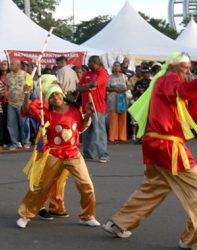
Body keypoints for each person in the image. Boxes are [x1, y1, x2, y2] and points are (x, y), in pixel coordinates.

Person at [102, 52, 197, 250]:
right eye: (184, 67)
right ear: (172, 67)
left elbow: (190, 114)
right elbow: (182, 91)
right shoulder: (168, 79)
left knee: (155, 188)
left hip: (156, 144)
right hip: (167, 146)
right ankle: (193, 238)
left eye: (189, 68)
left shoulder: (170, 84)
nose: (188, 71)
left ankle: (119, 222)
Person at [16, 84, 100, 228]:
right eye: (51, 97)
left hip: (73, 154)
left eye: (57, 94)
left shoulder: (74, 109)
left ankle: (87, 215)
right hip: (54, 154)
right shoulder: (47, 115)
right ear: (49, 101)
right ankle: (26, 215)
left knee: (87, 185)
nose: (55, 98)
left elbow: (80, 127)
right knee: (41, 186)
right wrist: (43, 140)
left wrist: (87, 115)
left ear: (62, 94)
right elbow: (25, 111)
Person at [77, 56, 109, 163]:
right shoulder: (86, 74)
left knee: (99, 131)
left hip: (98, 107)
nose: (88, 64)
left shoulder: (102, 73)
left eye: (89, 62)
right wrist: (88, 86)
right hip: (87, 108)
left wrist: (86, 86)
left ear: (95, 62)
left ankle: (103, 155)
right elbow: (78, 87)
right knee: (87, 132)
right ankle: (87, 154)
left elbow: (95, 84)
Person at [106, 62, 128, 142]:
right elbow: (106, 88)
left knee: (122, 117)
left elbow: (128, 86)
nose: (116, 67)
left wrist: (122, 89)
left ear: (120, 67)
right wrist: (115, 89)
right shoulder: (109, 77)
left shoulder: (124, 77)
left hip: (122, 98)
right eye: (115, 66)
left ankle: (122, 136)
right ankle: (113, 137)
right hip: (112, 99)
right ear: (113, 67)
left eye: (118, 66)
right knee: (113, 117)